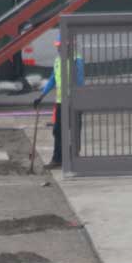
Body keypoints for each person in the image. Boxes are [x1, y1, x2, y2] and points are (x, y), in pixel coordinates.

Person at [33, 40, 84, 168]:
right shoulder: (58, 61)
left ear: (68, 47)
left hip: (74, 102)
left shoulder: (76, 60)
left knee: (74, 130)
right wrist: (41, 96)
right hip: (61, 102)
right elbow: (52, 79)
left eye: (61, 47)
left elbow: (80, 81)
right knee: (58, 131)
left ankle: (74, 157)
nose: (58, 49)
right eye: (58, 47)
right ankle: (58, 159)